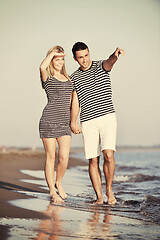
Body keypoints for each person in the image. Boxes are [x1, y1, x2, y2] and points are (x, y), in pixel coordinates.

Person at [70, 42, 124, 205]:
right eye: (80, 57)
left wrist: (115, 56)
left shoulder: (101, 66)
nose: (84, 60)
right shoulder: (74, 77)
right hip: (88, 121)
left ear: (89, 53)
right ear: (75, 58)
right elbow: (75, 102)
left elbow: (110, 62)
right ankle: (99, 197)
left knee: (108, 154)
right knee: (93, 160)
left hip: (107, 117)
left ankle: (108, 189)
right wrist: (73, 121)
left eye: (86, 55)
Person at [39, 45, 73, 203]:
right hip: (49, 121)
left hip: (64, 124)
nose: (60, 62)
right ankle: (52, 191)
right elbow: (41, 66)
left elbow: (74, 102)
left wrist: (74, 121)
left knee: (64, 157)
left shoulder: (69, 79)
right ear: (51, 60)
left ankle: (58, 182)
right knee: (51, 157)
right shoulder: (47, 77)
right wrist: (52, 53)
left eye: (62, 59)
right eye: (56, 59)